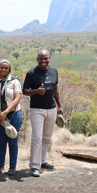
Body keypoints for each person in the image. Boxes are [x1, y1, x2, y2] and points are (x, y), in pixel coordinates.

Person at [23, 49, 63, 177]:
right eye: (41, 59)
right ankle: (34, 166)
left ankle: (43, 161)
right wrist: (36, 91)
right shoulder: (31, 73)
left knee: (47, 137)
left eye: (45, 58)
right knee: (37, 138)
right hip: (37, 110)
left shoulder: (54, 71)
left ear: (49, 58)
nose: (43, 61)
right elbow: (24, 91)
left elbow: (56, 89)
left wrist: (60, 105)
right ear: (37, 60)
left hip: (51, 109)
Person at [0, 59, 22, 176]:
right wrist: (0, 113)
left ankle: (12, 166)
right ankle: (0, 165)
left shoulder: (14, 81)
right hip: (0, 116)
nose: (4, 70)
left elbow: (17, 98)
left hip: (14, 114)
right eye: (1, 67)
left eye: (6, 68)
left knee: (13, 140)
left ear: (9, 69)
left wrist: (6, 112)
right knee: (1, 141)